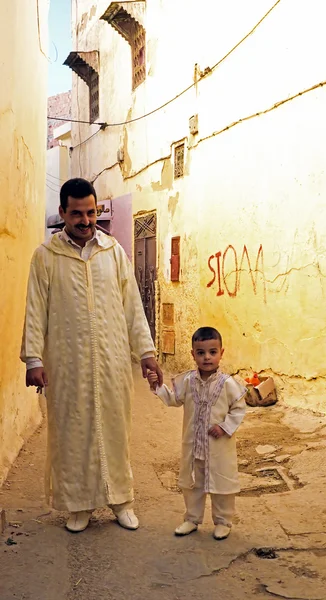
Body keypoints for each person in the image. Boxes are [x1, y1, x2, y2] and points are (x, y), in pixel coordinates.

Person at [21, 178, 163, 533]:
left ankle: (121, 501)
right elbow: (36, 310)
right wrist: (34, 360)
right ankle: (78, 505)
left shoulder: (113, 251)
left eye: (91, 212)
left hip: (112, 360)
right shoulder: (46, 256)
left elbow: (132, 307)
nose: (86, 220)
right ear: (63, 214)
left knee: (115, 428)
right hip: (67, 364)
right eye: (77, 214)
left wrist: (145, 352)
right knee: (71, 430)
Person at [147, 327, 247, 540]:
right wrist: (158, 386)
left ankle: (223, 522)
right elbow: (174, 399)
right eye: (201, 352)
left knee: (222, 485)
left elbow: (239, 408)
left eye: (212, 352)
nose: (207, 357)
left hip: (219, 447)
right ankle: (191, 519)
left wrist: (225, 427)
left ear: (222, 352)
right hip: (193, 446)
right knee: (192, 485)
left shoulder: (228, 384)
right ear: (193, 354)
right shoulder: (188, 381)